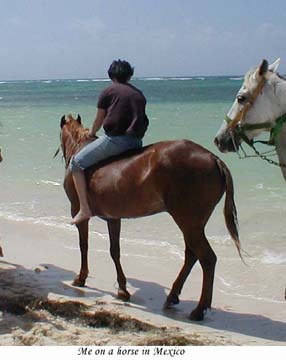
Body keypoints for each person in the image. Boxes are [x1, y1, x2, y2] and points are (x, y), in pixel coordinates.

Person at [70, 59, 149, 224]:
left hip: (116, 141)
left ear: (111, 75)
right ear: (130, 75)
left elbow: (99, 120)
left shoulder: (108, 91)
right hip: (136, 142)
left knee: (76, 163)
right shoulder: (138, 93)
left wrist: (91, 133)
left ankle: (84, 209)